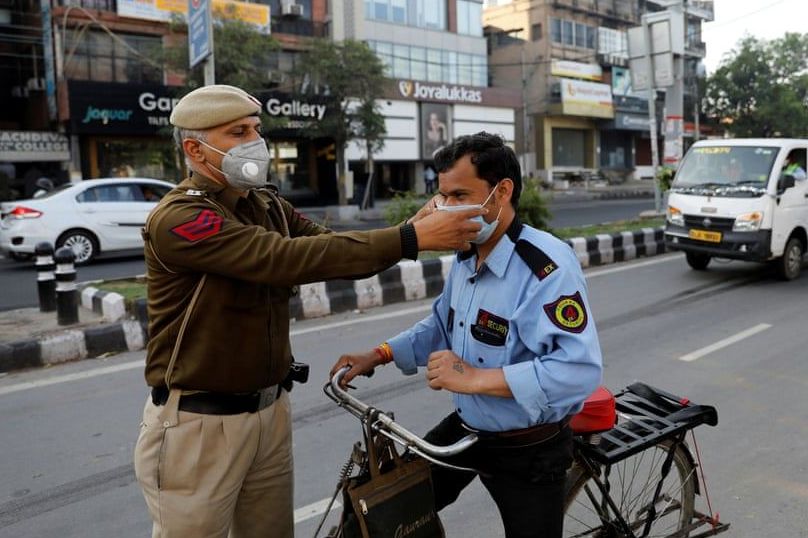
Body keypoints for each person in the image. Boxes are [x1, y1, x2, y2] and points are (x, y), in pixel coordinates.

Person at [132, 84, 484, 538]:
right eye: (238, 132)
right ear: (196, 150)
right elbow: (283, 258)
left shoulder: (264, 203)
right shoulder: (181, 218)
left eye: (255, 129)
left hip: (269, 413)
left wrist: (415, 225)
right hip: (200, 424)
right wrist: (412, 239)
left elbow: (331, 250)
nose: (255, 142)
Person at [331, 132, 603, 538]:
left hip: (528, 447)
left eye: (460, 196)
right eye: (443, 196)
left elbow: (577, 370)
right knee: (381, 519)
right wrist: (381, 353)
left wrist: (474, 378)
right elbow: (441, 325)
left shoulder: (545, 268)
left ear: (501, 192)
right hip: (470, 430)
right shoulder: (467, 254)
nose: (446, 208)